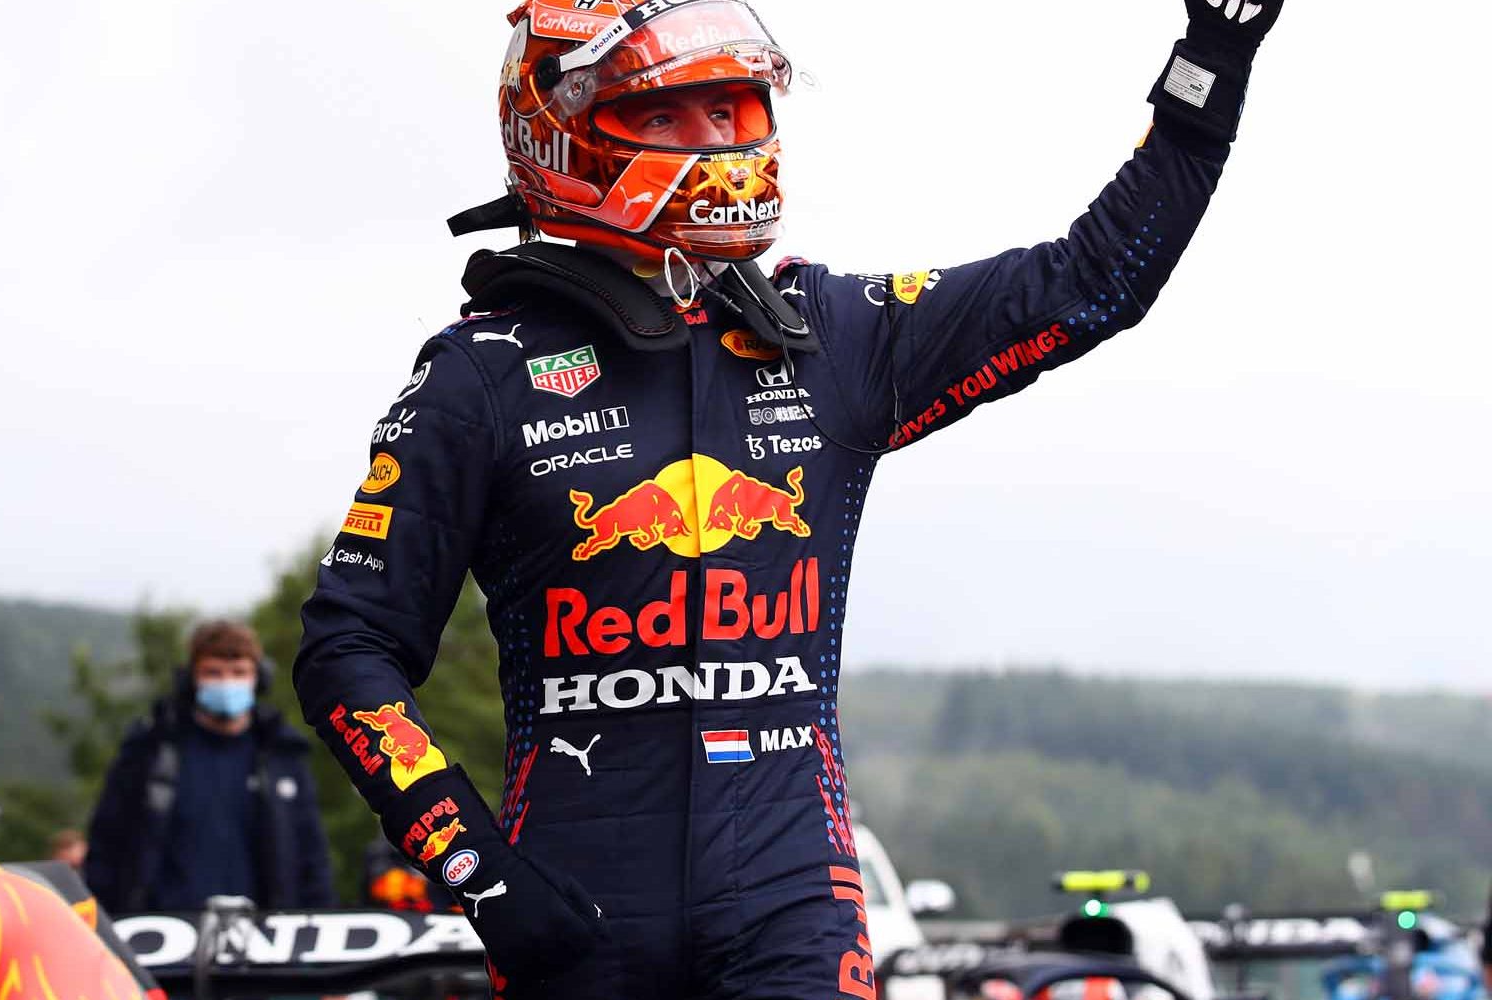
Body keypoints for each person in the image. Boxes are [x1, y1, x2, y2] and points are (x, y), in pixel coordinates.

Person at [292, 1, 1285, 998]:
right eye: (675, 112)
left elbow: (1089, 283)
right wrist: (477, 869)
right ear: (568, 137)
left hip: (792, 908)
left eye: (733, 107)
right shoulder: (479, 376)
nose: (719, 139)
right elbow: (348, 651)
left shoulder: (831, 334)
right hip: (575, 919)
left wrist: (1211, 65)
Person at [83, 620, 335, 913]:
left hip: (266, 938)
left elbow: (311, 855)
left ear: (259, 678)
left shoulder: (283, 755)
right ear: (191, 679)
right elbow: (107, 843)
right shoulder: (151, 749)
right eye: (213, 673)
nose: (227, 682)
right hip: (163, 933)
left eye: (239, 672)